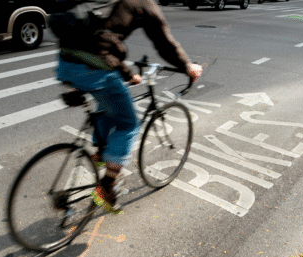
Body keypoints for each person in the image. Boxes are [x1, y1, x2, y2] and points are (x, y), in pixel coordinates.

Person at [56, 0, 202, 214]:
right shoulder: (144, 2)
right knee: (129, 124)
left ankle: (99, 154)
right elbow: (163, 42)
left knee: (109, 104)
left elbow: (100, 36)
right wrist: (187, 66)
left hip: (66, 60)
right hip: (94, 65)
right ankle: (106, 189)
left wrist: (126, 74)